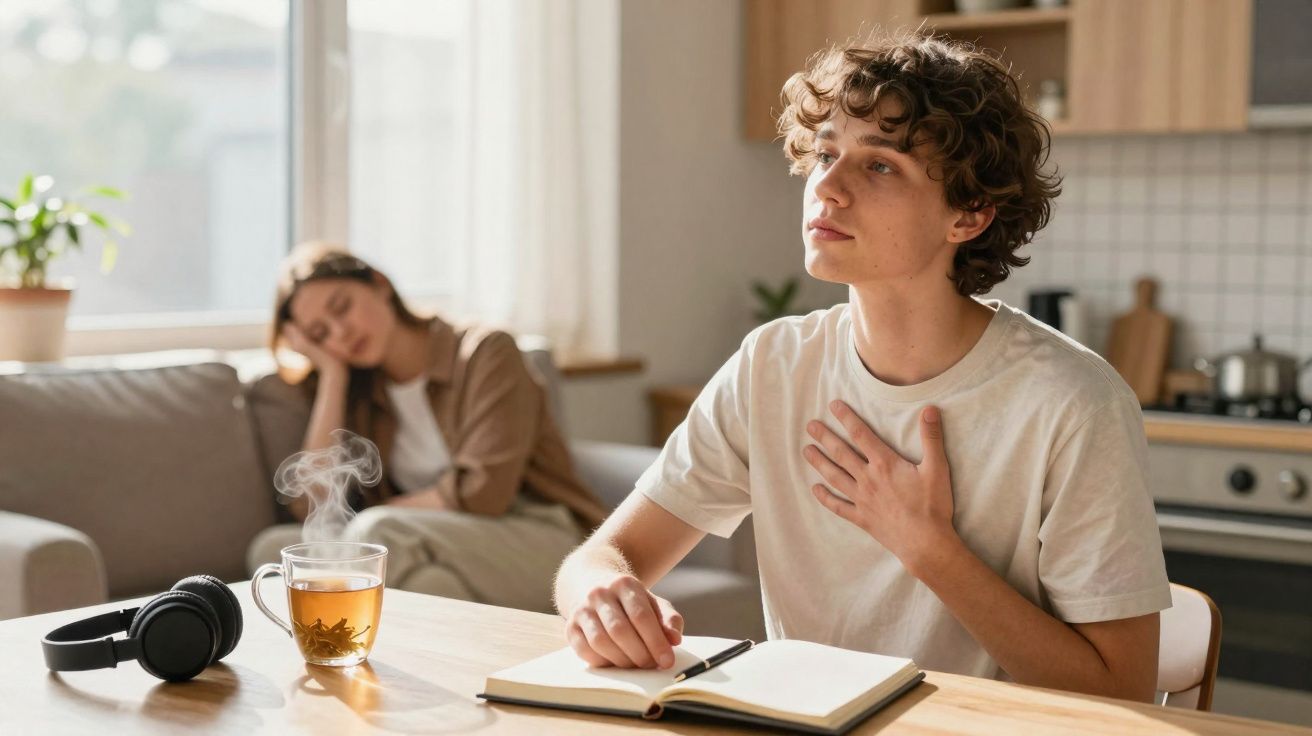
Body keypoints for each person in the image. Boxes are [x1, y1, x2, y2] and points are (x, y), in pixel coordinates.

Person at [553, 31, 1171, 702]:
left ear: (969, 214)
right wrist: (599, 595)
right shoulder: (772, 366)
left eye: (879, 166)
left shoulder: (1073, 403)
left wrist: (928, 548)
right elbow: (602, 556)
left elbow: (1123, 689)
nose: (828, 186)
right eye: (824, 153)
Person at [249, 241, 608, 613]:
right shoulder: (361, 392)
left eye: (342, 307)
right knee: (274, 549)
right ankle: (461, 645)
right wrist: (333, 375)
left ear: (379, 284)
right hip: (430, 545)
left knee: (378, 534)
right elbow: (314, 502)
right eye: (321, 334)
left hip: (538, 536)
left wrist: (384, 518)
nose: (339, 333)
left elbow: (485, 492)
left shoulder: (485, 350)